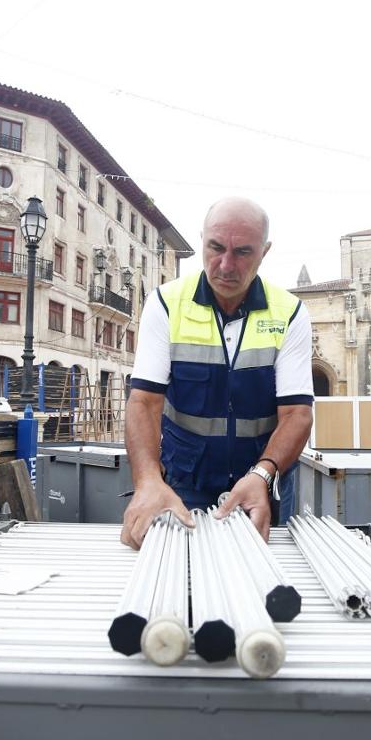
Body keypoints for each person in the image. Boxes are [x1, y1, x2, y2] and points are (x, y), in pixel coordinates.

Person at [121, 197, 314, 549]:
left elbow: (297, 414)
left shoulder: (290, 313)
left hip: (259, 481)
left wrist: (262, 474)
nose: (226, 265)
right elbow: (144, 402)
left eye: (242, 252)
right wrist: (148, 479)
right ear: (202, 240)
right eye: (215, 248)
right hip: (183, 483)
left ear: (264, 251)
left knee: (257, 582)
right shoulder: (165, 303)